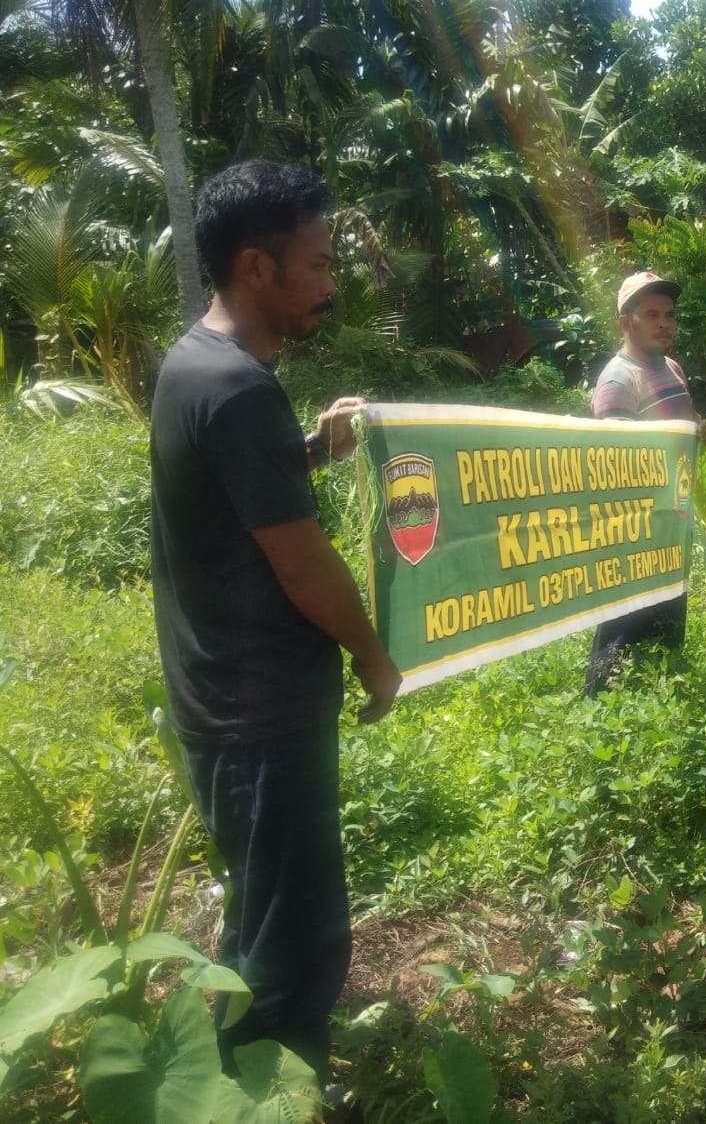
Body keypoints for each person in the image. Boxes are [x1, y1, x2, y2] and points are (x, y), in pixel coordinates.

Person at [149, 160, 401, 1086]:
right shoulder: (241, 388)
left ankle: (235, 1081)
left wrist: (310, 451)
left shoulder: (195, 364)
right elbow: (302, 563)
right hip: (262, 714)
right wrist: (374, 655)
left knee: (257, 918)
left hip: (219, 698)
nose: (332, 282)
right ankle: (275, 1094)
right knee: (295, 943)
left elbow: (231, 499)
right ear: (258, 267)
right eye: (320, 263)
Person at [585, 270, 706, 694]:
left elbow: (682, 427)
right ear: (626, 322)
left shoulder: (672, 369)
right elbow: (614, 465)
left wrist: (700, 431)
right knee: (621, 634)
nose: (664, 323)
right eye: (652, 315)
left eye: (670, 315)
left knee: (666, 633)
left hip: (672, 526)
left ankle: (662, 709)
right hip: (633, 535)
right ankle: (598, 711)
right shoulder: (618, 380)